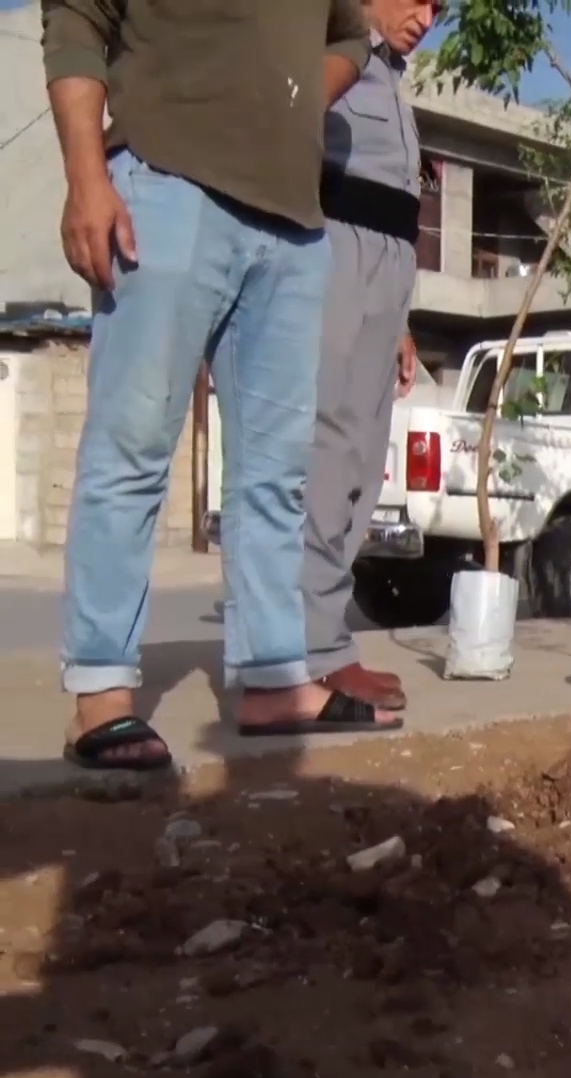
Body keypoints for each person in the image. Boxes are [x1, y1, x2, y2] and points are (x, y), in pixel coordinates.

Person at [44, 0, 401, 771]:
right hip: (166, 183)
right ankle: (102, 694)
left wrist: (288, 105)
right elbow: (77, 16)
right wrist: (85, 176)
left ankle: (273, 678)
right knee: (133, 445)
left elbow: (346, 32)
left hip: (293, 224)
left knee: (275, 475)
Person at [301, 0, 439, 713]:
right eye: (417, 0)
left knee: (360, 461)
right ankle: (306, 653)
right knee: (325, 454)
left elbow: (395, 205)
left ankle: (324, 639)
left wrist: (402, 321)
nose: (427, 17)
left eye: (440, 7)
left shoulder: (392, 78)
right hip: (333, 254)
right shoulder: (330, 50)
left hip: (385, 277)